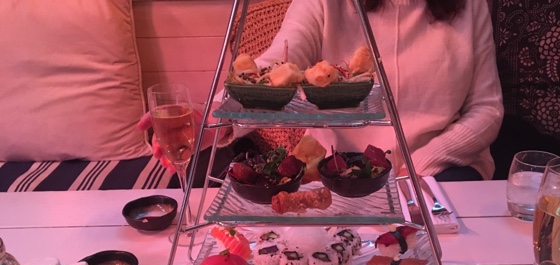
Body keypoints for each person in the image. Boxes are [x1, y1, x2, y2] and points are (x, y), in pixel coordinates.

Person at [140, 0, 504, 181]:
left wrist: (419, 166)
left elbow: (487, 110)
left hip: (440, 169)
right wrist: (216, 118)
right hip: (337, 166)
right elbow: (277, 68)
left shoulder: (470, 6)